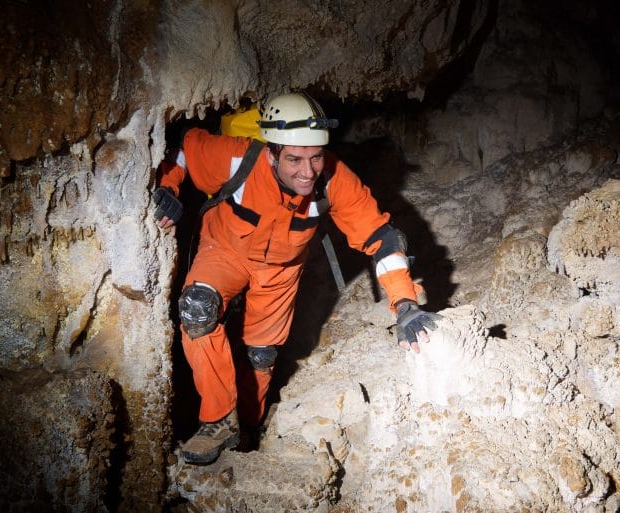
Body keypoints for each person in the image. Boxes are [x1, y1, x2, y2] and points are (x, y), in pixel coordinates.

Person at [153, 92, 441, 465]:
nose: (307, 171)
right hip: (224, 252)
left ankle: (248, 430)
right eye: (293, 159)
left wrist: (405, 305)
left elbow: (381, 238)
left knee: (261, 355)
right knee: (197, 310)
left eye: (316, 156)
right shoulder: (239, 158)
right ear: (271, 153)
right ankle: (217, 421)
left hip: (280, 272)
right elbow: (186, 150)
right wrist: (166, 187)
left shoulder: (334, 179)